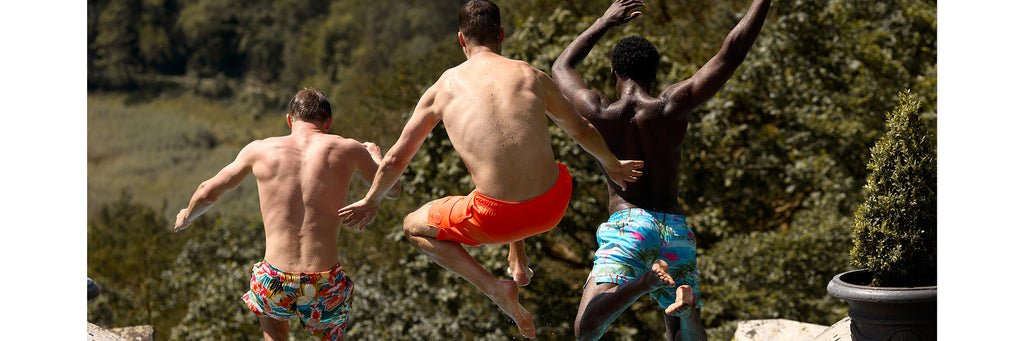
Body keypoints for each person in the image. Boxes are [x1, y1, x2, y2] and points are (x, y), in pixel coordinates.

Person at [336, 0, 645, 338]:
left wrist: (371, 200)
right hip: (554, 204)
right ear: (501, 34)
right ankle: (518, 255)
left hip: (495, 219)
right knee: (537, 161)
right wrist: (612, 165)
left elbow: (395, 160)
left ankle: (496, 288)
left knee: (413, 227)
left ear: (460, 39)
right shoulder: (531, 74)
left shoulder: (443, 89)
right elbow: (582, 129)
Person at [551, 0, 772, 340]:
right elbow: (731, 52)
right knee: (682, 329)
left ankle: (644, 283)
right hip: (675, 230)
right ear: (654, 73)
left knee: (586, 328)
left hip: (630, 224)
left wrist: (604, 22)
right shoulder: (671, 105)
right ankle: (686, 315)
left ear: (614, 73)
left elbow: (561, 67)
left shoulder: (598, 111)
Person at [173, 88, 401, 341]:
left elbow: (206, 192)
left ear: (290, 120)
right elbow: (393, 190)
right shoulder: (349, 148)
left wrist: (186, 216)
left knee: (271, 314)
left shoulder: (259, 150)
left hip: (275, 280)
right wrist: (374, 156)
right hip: (324, 283)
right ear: (328, 122)